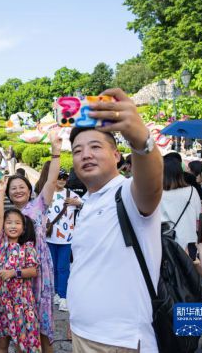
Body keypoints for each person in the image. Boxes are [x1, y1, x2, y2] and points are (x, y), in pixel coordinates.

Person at [67, 88, 163, 351]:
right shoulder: (87, 202)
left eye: (95, 147)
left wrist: (142, 141)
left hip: (121, 343)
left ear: (117, 155)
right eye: (77, 151)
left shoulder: (127, 193)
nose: (85, 154)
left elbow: (151, 186)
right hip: (82, 334)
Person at [0, 130, 62, 353]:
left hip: (40, 268)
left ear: (29, 190)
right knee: (20, 323)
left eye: (21, 187)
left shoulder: (38, 205)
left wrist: (56, 153)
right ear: (8, 194)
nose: (17, 190)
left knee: (43, 324)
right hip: (17, 272)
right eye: (13, 188)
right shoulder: (7, 217)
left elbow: (52, 180)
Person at [0, 207, 40, 352]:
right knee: (2, 342)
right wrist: (2, 191)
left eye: (17, 223)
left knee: (22, 343)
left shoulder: (28, 248)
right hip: (0, 303)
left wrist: (13, 273)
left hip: (21, 304)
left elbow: (33, 270)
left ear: (23, 229)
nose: (12, 226)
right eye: (9, 222)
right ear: (3, 226)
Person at [44, 168, 81, 312]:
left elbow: (86, 205)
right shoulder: (47, 194)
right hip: (49, 237)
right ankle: (56, 293)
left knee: (63, 268)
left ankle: (64, 296)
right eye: (59, 177)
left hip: (66, 239)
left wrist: (76, 203)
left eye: (64, 178)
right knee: (52, 267)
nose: (61, 180)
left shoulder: (71, 195)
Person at [160, 156, 202, 250]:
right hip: (189, 244)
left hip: (166, 245)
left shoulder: (157, 194)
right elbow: (199, 217)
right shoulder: (192, 191)